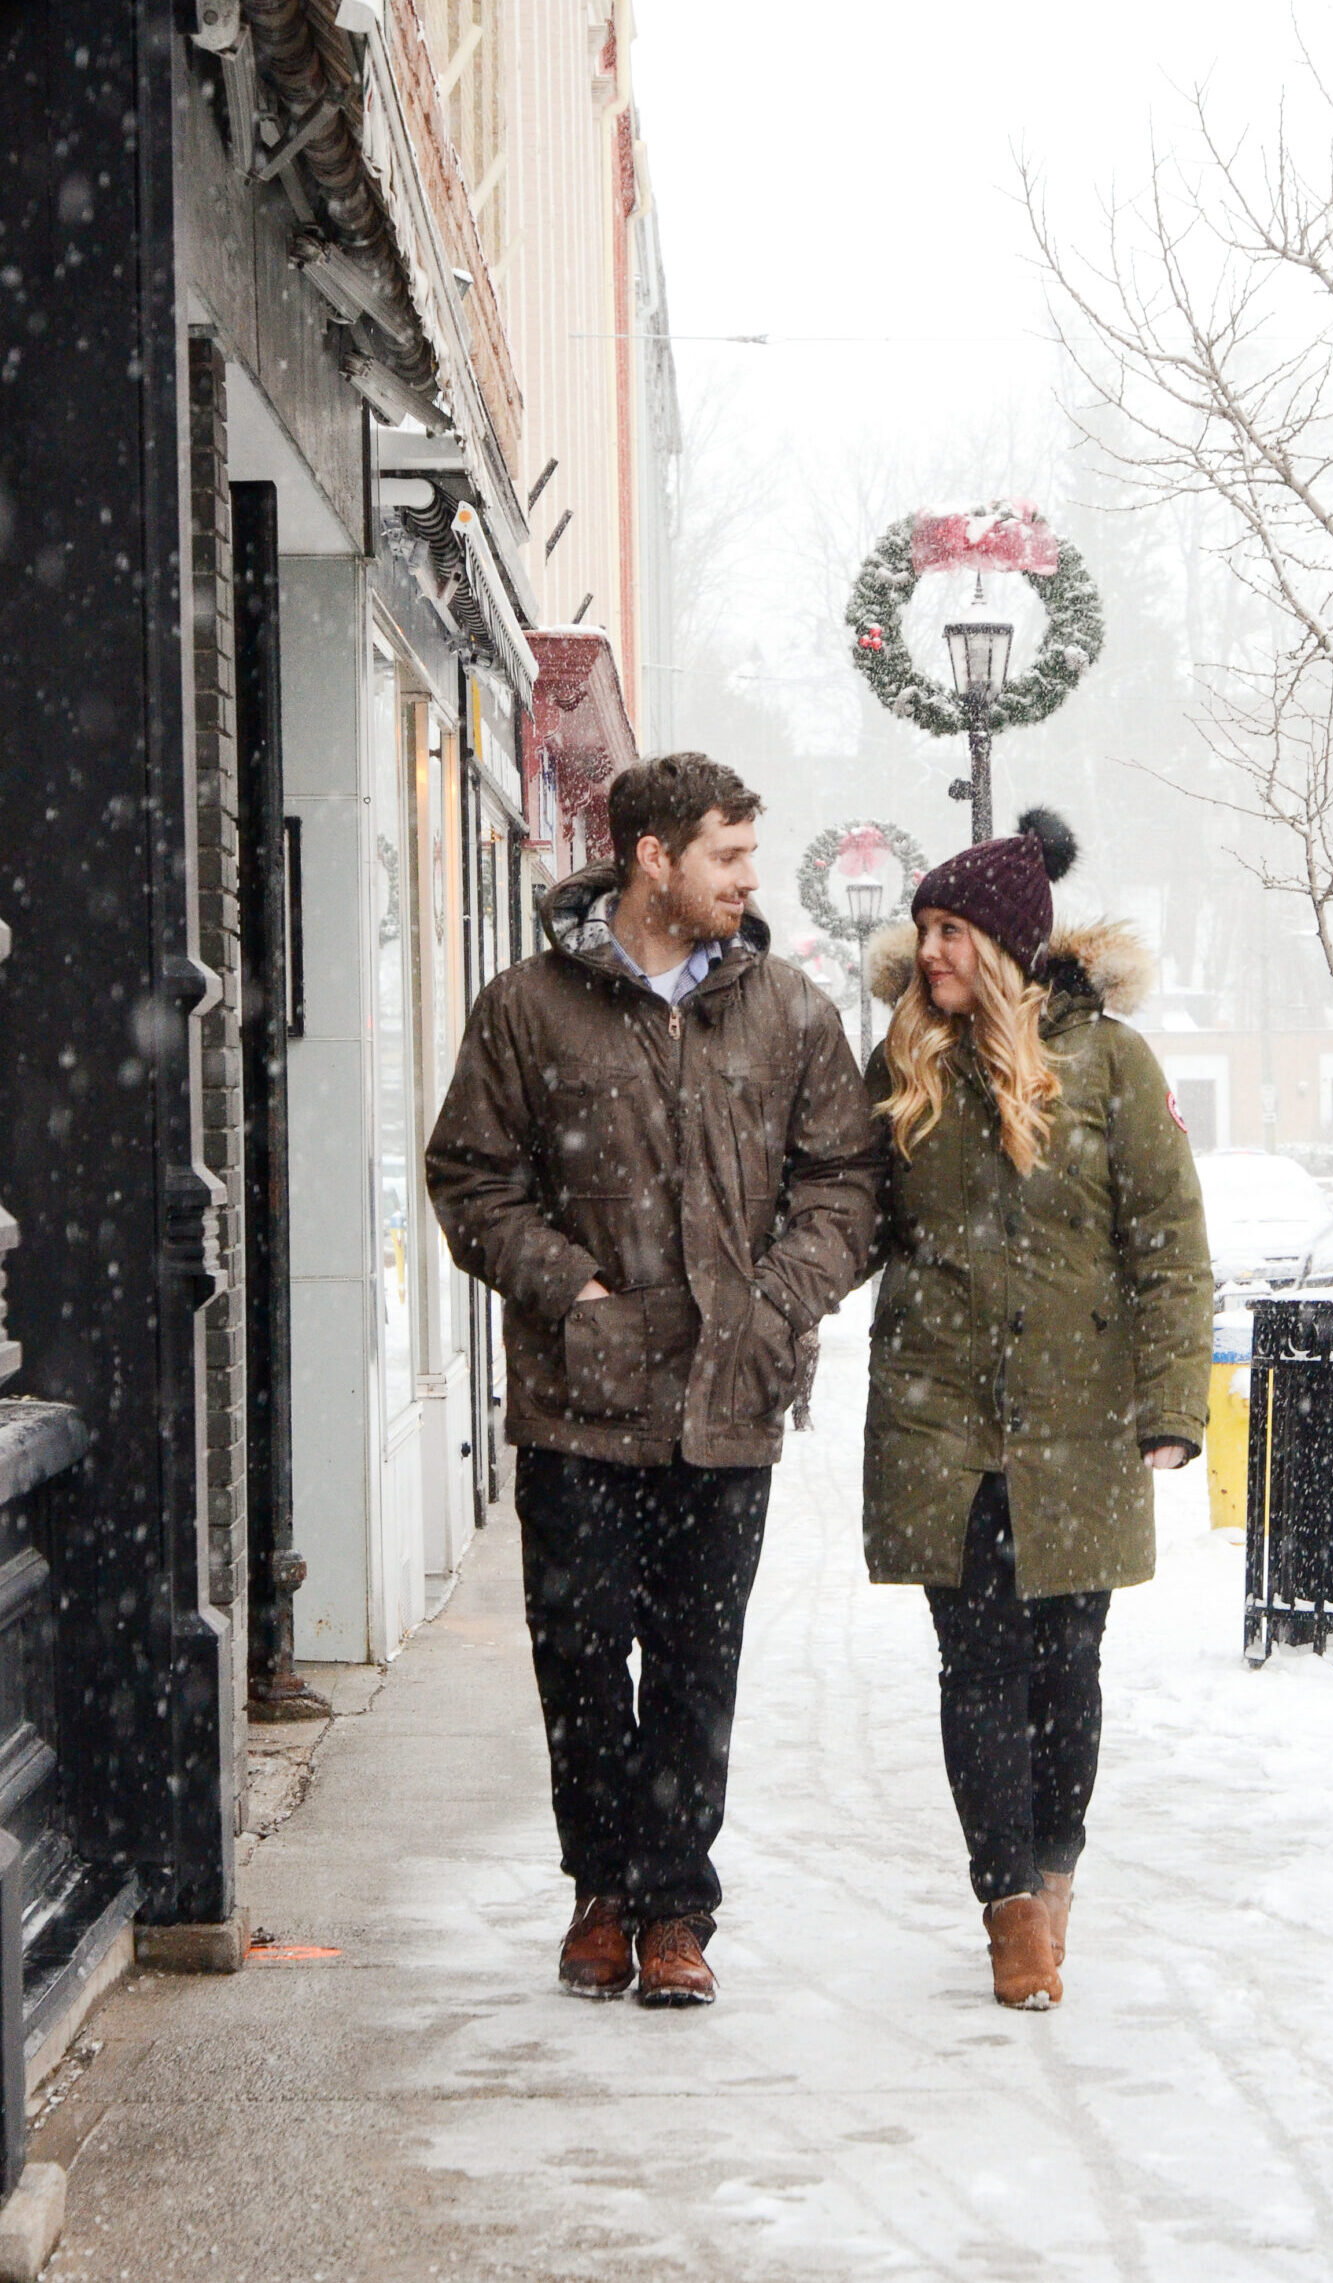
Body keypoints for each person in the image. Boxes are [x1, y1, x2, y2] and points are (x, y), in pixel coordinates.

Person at [426, 754, 879, 2008]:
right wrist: (570, 1291)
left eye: (749, 857)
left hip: (727, 1398)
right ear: (651, 858)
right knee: (578, 1655)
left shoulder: (787, 1009)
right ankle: (601, 1890)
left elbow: (844, 1183)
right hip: (580, 1396)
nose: (747, 881)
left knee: (694, 1659)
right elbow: (471, 1175)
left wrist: (781, 1298)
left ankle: (676, 1906)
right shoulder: (528, 1007)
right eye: (725, 858)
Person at [861, 809, 1213, 2010]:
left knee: (1065, 1670)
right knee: (974, 1668)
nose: (929, 954)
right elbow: (844, 1217)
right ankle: (1006, 1904)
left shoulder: (1112, 1065)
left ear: (1005, 945)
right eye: (922, 929)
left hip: (1077, 1426)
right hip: (941, 1422)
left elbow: (1168, 1243)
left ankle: (1052, 1872)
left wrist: (1171, 1400)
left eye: (950, 929)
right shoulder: (905, 1065)